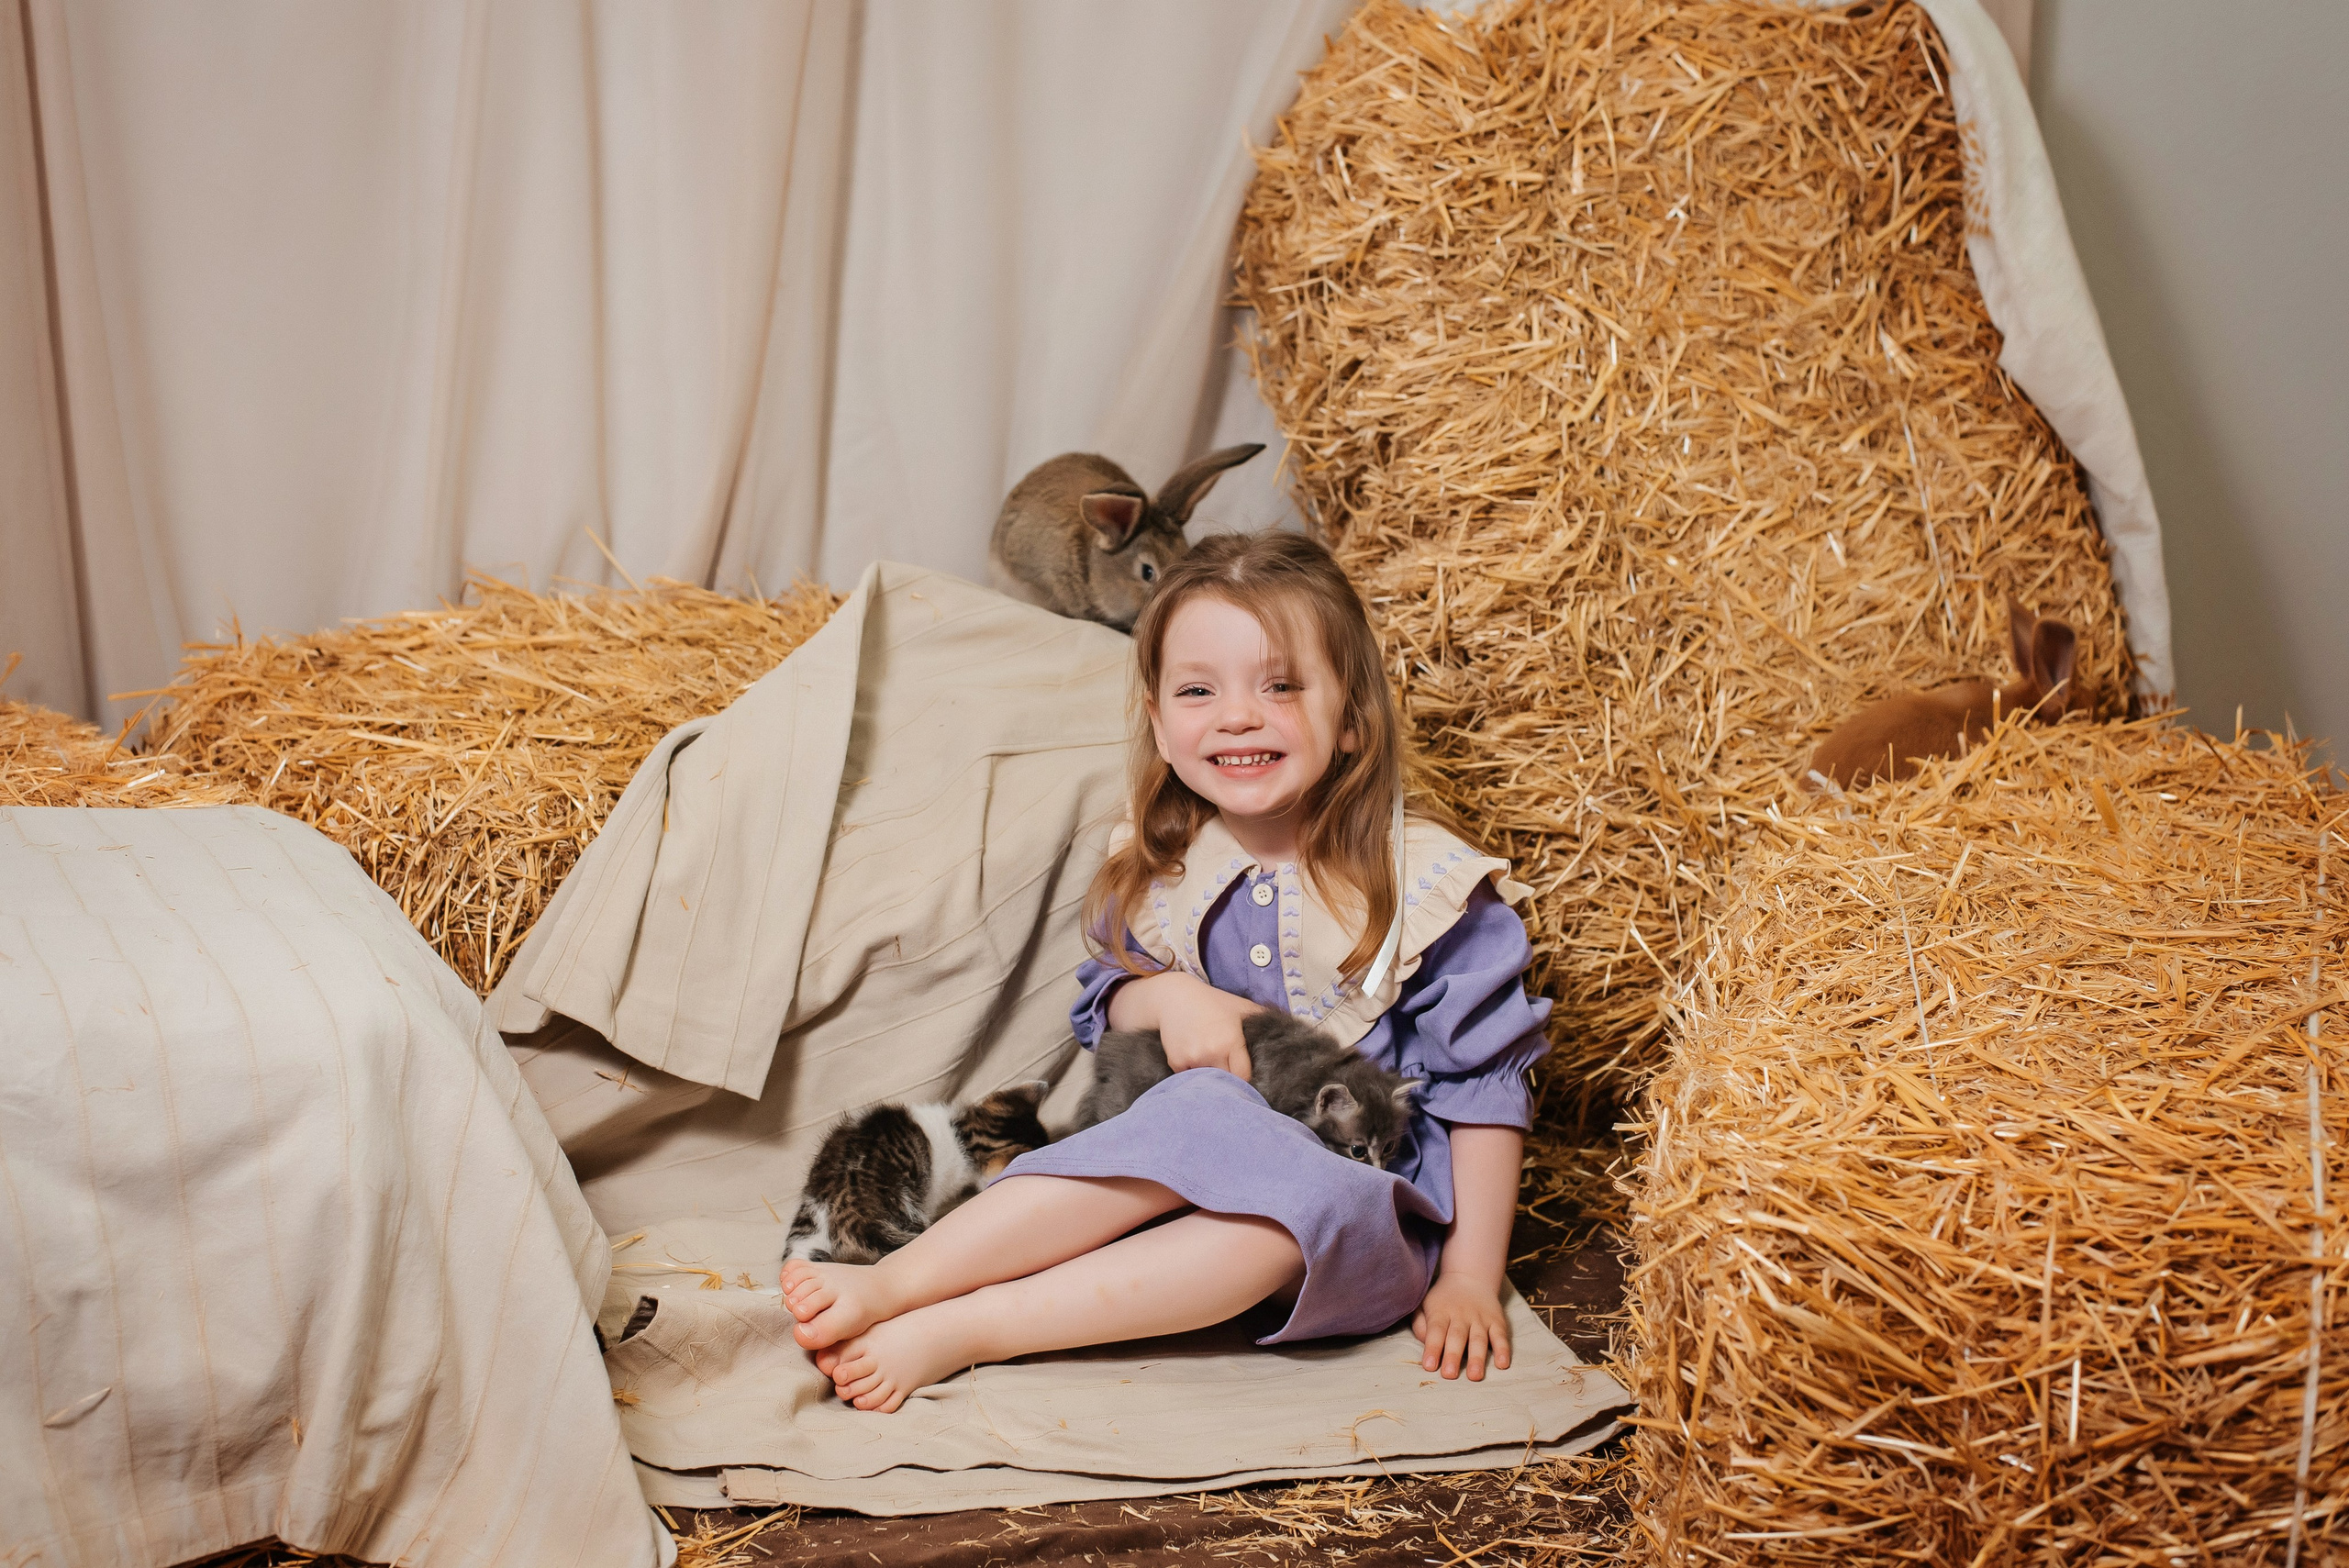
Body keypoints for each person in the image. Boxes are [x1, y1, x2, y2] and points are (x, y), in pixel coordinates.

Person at [780, 531, 1552, 1413]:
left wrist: (1470, 1278)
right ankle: (902, 1281)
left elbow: (1483, 1089)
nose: (1237, 715)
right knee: (1200, 1107)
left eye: (1282, 686)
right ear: (1158, 718)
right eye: (1198, 690)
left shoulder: (1431, 890)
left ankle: (974, 1327)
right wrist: (1172, 993)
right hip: (1173, 1177)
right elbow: (1107, 1007)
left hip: (1354, 1206)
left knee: (1283, 1215)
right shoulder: (1166, 868)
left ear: (1353, 720)